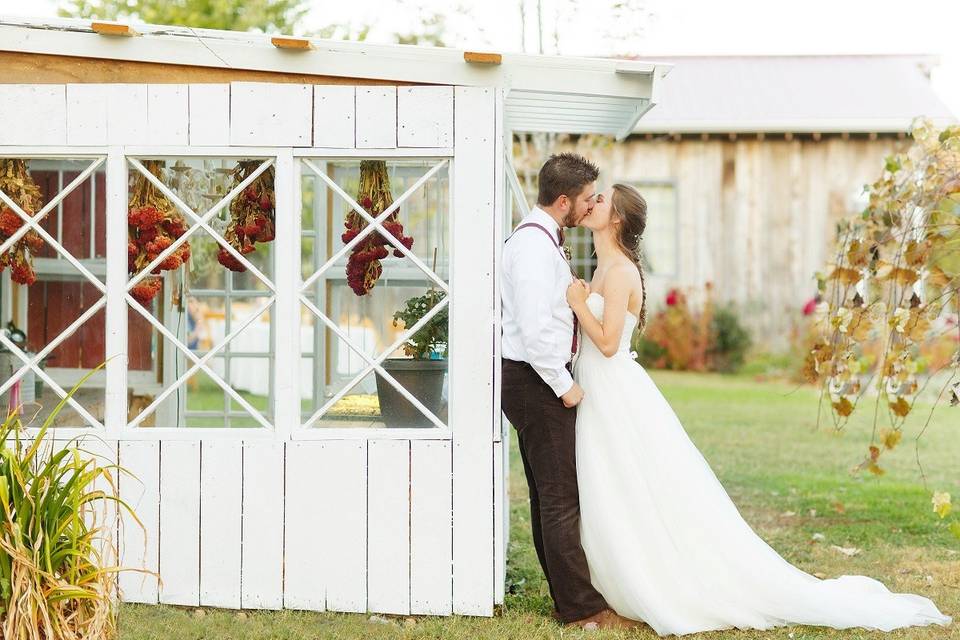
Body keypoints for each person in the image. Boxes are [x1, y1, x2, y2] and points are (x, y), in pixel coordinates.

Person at [564, 182, 953, 636]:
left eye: (600, 200)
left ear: (616, 219)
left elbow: (608, 343)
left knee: (632, 484)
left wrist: (576, 303)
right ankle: (615, 576)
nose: (590, 203)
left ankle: (651, 580)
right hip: (601, 388)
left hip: (613, 387)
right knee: (615, 484)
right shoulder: (604, 264)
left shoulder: (619, 272)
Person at [500, 153, 639, 631]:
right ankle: (581, 608)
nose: (589, 206)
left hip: (535, 378)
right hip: (539, 381)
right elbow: (537, 333)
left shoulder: (542, 241)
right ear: (564, 202)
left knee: (549, 494)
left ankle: (568, 596)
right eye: (585, 199)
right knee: (559, 497)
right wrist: (566, 388)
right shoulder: (535, 249)